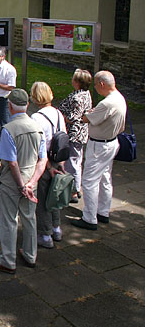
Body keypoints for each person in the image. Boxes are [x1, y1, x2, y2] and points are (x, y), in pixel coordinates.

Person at [0, 88, 47, 273]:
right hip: (31, 180)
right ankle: (30, 255)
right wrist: (31, 183)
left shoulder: (8, 130)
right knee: (29, 219)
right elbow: (42, 159)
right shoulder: (38, 128)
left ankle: (8, 260)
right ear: (27, 105)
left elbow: (12, 163)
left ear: (10, 106)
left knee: (9, 221)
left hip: (13, 183)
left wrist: (21, 186)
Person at [71, 70, 126, 230]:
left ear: (102, 84)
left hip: (99, 145)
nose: (94, 87)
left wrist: (89, 113)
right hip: (112, 142)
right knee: (105, 178)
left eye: (96, 84)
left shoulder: (106, 103)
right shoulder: (119, 98)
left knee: (89, 181)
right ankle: (103, 211)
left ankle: (89, 217)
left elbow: (86, 119)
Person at [30, 82, 67, 249]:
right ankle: (56, 228)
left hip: (45, 162)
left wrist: (47, 166)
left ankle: (45, 235)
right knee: (55, 197)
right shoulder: (58, 113)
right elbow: (63, 138)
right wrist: (61, 164)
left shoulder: (36, 118)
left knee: (43, 199)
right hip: (58, 159)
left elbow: (37, 145)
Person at [58, 69, 92, 203]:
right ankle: (76, 188)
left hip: (74, 133)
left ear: (77, 82)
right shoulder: (86, 94)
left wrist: (61, 117)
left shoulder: (77, 98)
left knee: (72, 163)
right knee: (77, 160)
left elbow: (74, 117)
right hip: (81, 133)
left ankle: (73, 190)